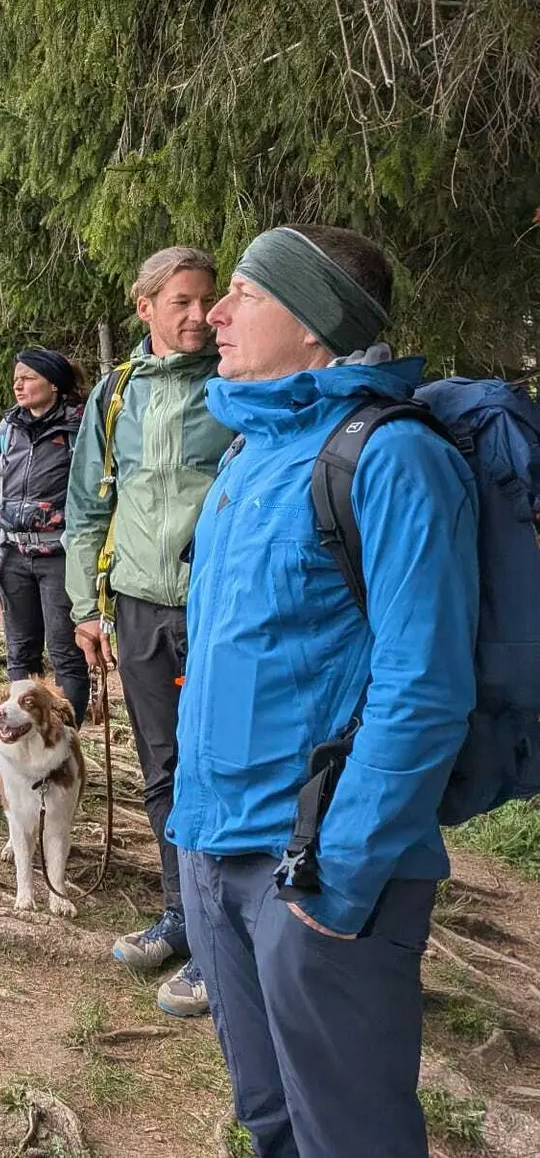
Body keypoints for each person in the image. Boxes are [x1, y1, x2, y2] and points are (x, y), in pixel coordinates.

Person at [174, 225, 476, 1158]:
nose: (215, 315)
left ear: (317, 324)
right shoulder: (244, 455)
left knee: (350, 1138)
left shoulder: (391, 461)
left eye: (243, 294)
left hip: (314, 873)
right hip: (212, 852)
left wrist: (335, 880)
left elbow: (423, 688)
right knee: (269, 1122)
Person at [63, 246, 232, 1015]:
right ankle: (182, 917)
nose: (200, 316)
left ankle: (225, 937)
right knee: (162, 769)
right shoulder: (115, 395)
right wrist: (85, 609)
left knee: (223, 767)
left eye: (209, 300)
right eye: (183, 302)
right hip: (136, 607)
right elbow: (89, 509)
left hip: (221, 609)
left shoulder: (237, 384)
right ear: (146, 309)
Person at [0, 348, 91, 723]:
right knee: (20, 654)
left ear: (55, 384)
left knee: (65, 655)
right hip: (12, 556)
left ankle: (65, 746)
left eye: (28, 376)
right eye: (17, 376)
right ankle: (24, 748)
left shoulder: (80, 430)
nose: (18, 383)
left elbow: (96, 495)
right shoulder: (5, 433)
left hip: (60, 558)